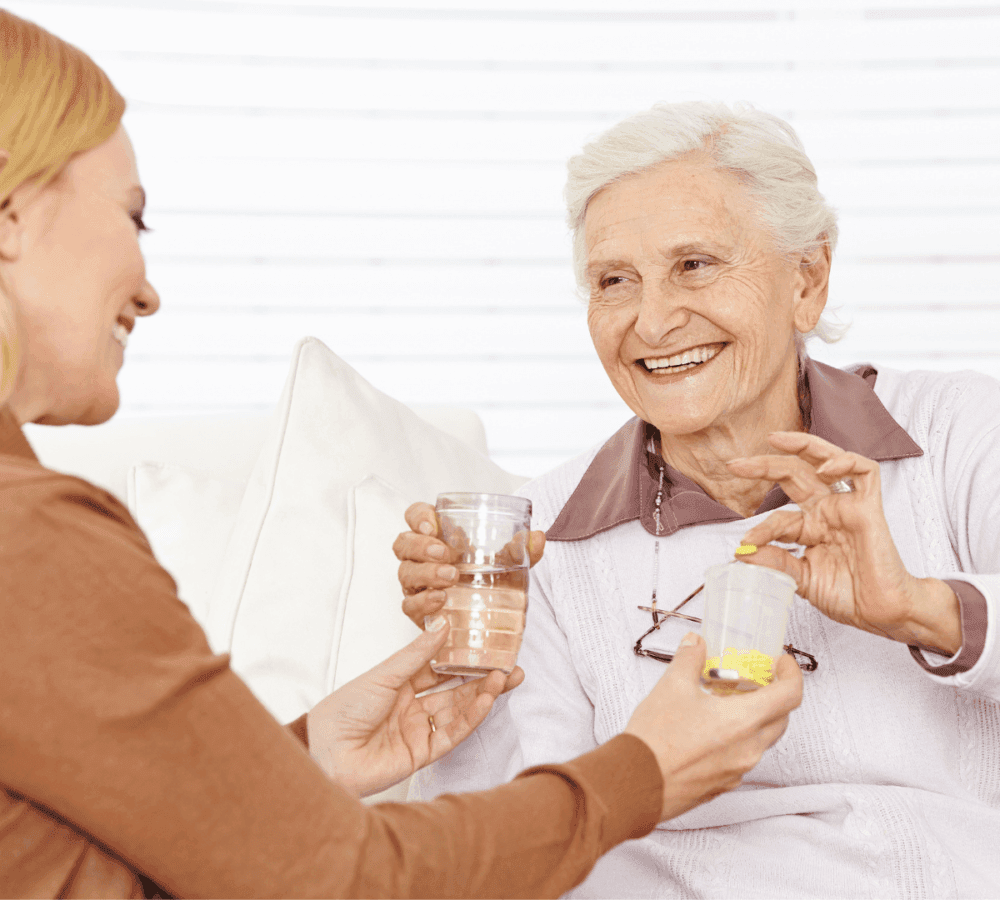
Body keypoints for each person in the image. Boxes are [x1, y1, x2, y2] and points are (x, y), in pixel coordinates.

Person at [0, 14, 803, 899]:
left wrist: (293, 765)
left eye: (696, 266)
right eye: (132, 216)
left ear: (809, 279)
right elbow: (345, 882)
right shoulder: (30, 538)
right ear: (9, 216)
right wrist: (647, 769)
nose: (148, 289)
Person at [397, 100, 1000, 897]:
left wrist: (923, 608)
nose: (653, 321)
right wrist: (459, 664)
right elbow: (523, 835)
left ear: (807, 281)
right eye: (615, 280)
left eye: (695, 265)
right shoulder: (538, 540)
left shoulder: (959, 432)